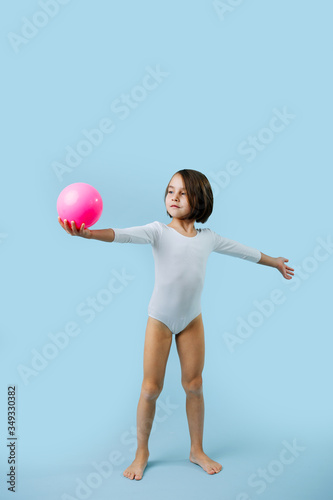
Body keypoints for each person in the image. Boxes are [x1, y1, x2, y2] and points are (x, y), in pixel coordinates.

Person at [58, 169, 294, 480]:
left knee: (194, 385)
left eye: (183, 193)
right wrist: (89, 234)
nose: (174, 197)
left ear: (200, 200)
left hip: (192, 320)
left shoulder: (209, 239)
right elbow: (122, 234)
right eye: (170, 191)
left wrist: (275, 261)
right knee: (150, 389)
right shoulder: (157, 231)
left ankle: (196, 449)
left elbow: (244, 252)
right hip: (160, 320)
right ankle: (141, 452)